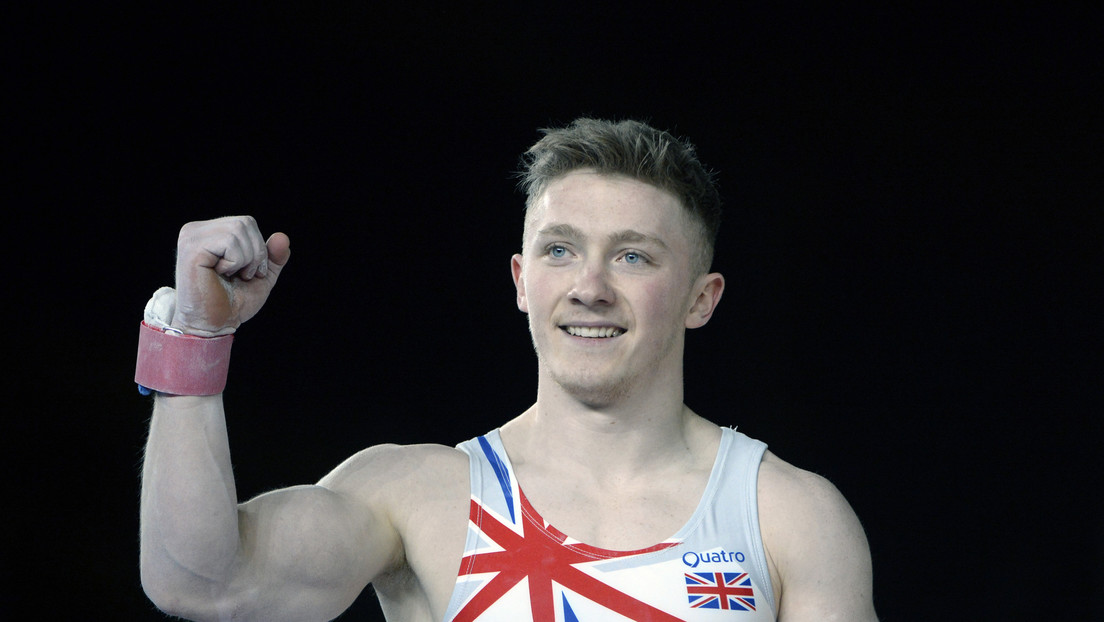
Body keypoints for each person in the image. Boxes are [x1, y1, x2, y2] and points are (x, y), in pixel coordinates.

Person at [138, 118, 877, 621]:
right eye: (560, 250)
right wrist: (193, 338)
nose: (589, 285)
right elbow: (203, 585)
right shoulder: (419, 496)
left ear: (700, 298)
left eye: (632, 255)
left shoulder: (788, 518)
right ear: (522, 280)